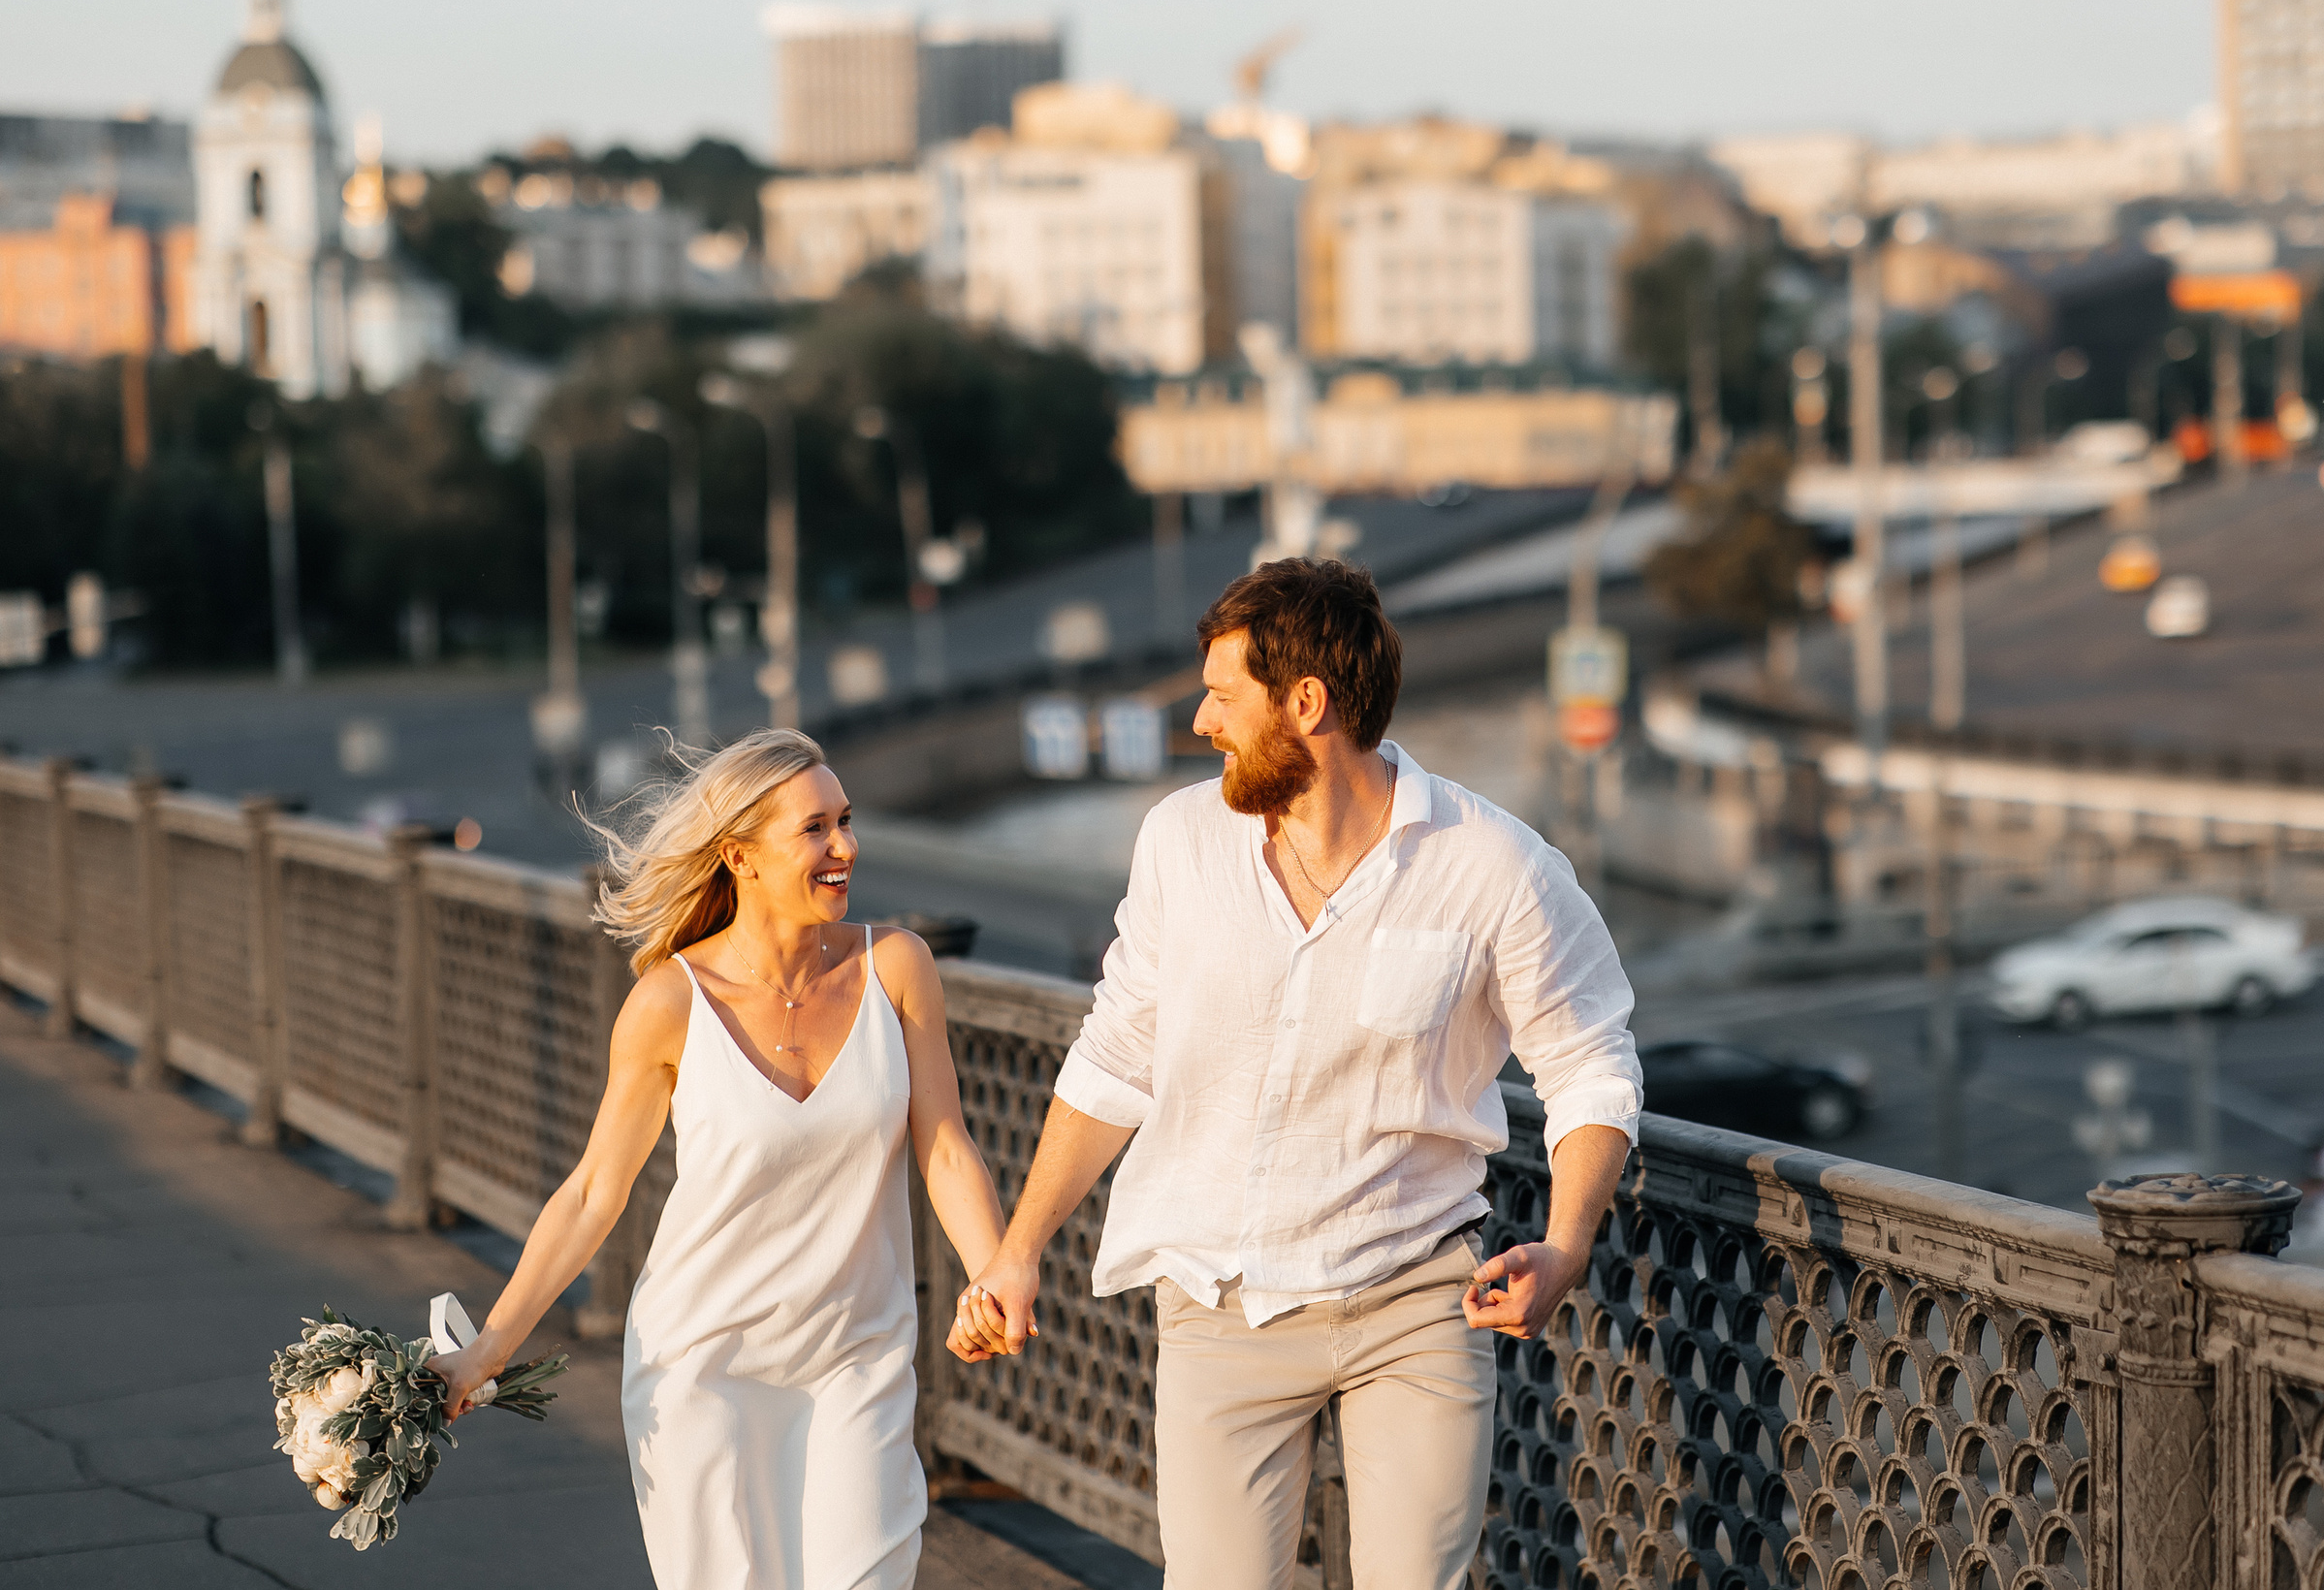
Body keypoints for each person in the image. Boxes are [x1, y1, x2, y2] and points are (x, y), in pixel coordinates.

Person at [951, 559, 1643, 1590]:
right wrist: (1017, 1252)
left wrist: (1568, 1243)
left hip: (1416, 1300)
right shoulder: (1181, 841)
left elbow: (1589, 1061)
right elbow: (1116, 1055)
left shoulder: (1495, 866)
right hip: (1218, 1308)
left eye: (1223, 695)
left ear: (1305, 703)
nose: (1200, 721)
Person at [430, 728, 1010, 1590]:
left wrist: (994, 1277)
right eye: (815, 828)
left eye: (846, 821)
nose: (845, 847)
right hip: (702, 1367)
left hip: (857, 1356)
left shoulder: (896, 966)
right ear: (741, 856)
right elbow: (593, 1192)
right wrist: (486, 1349)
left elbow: (947, 1147)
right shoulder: (669, 1003)